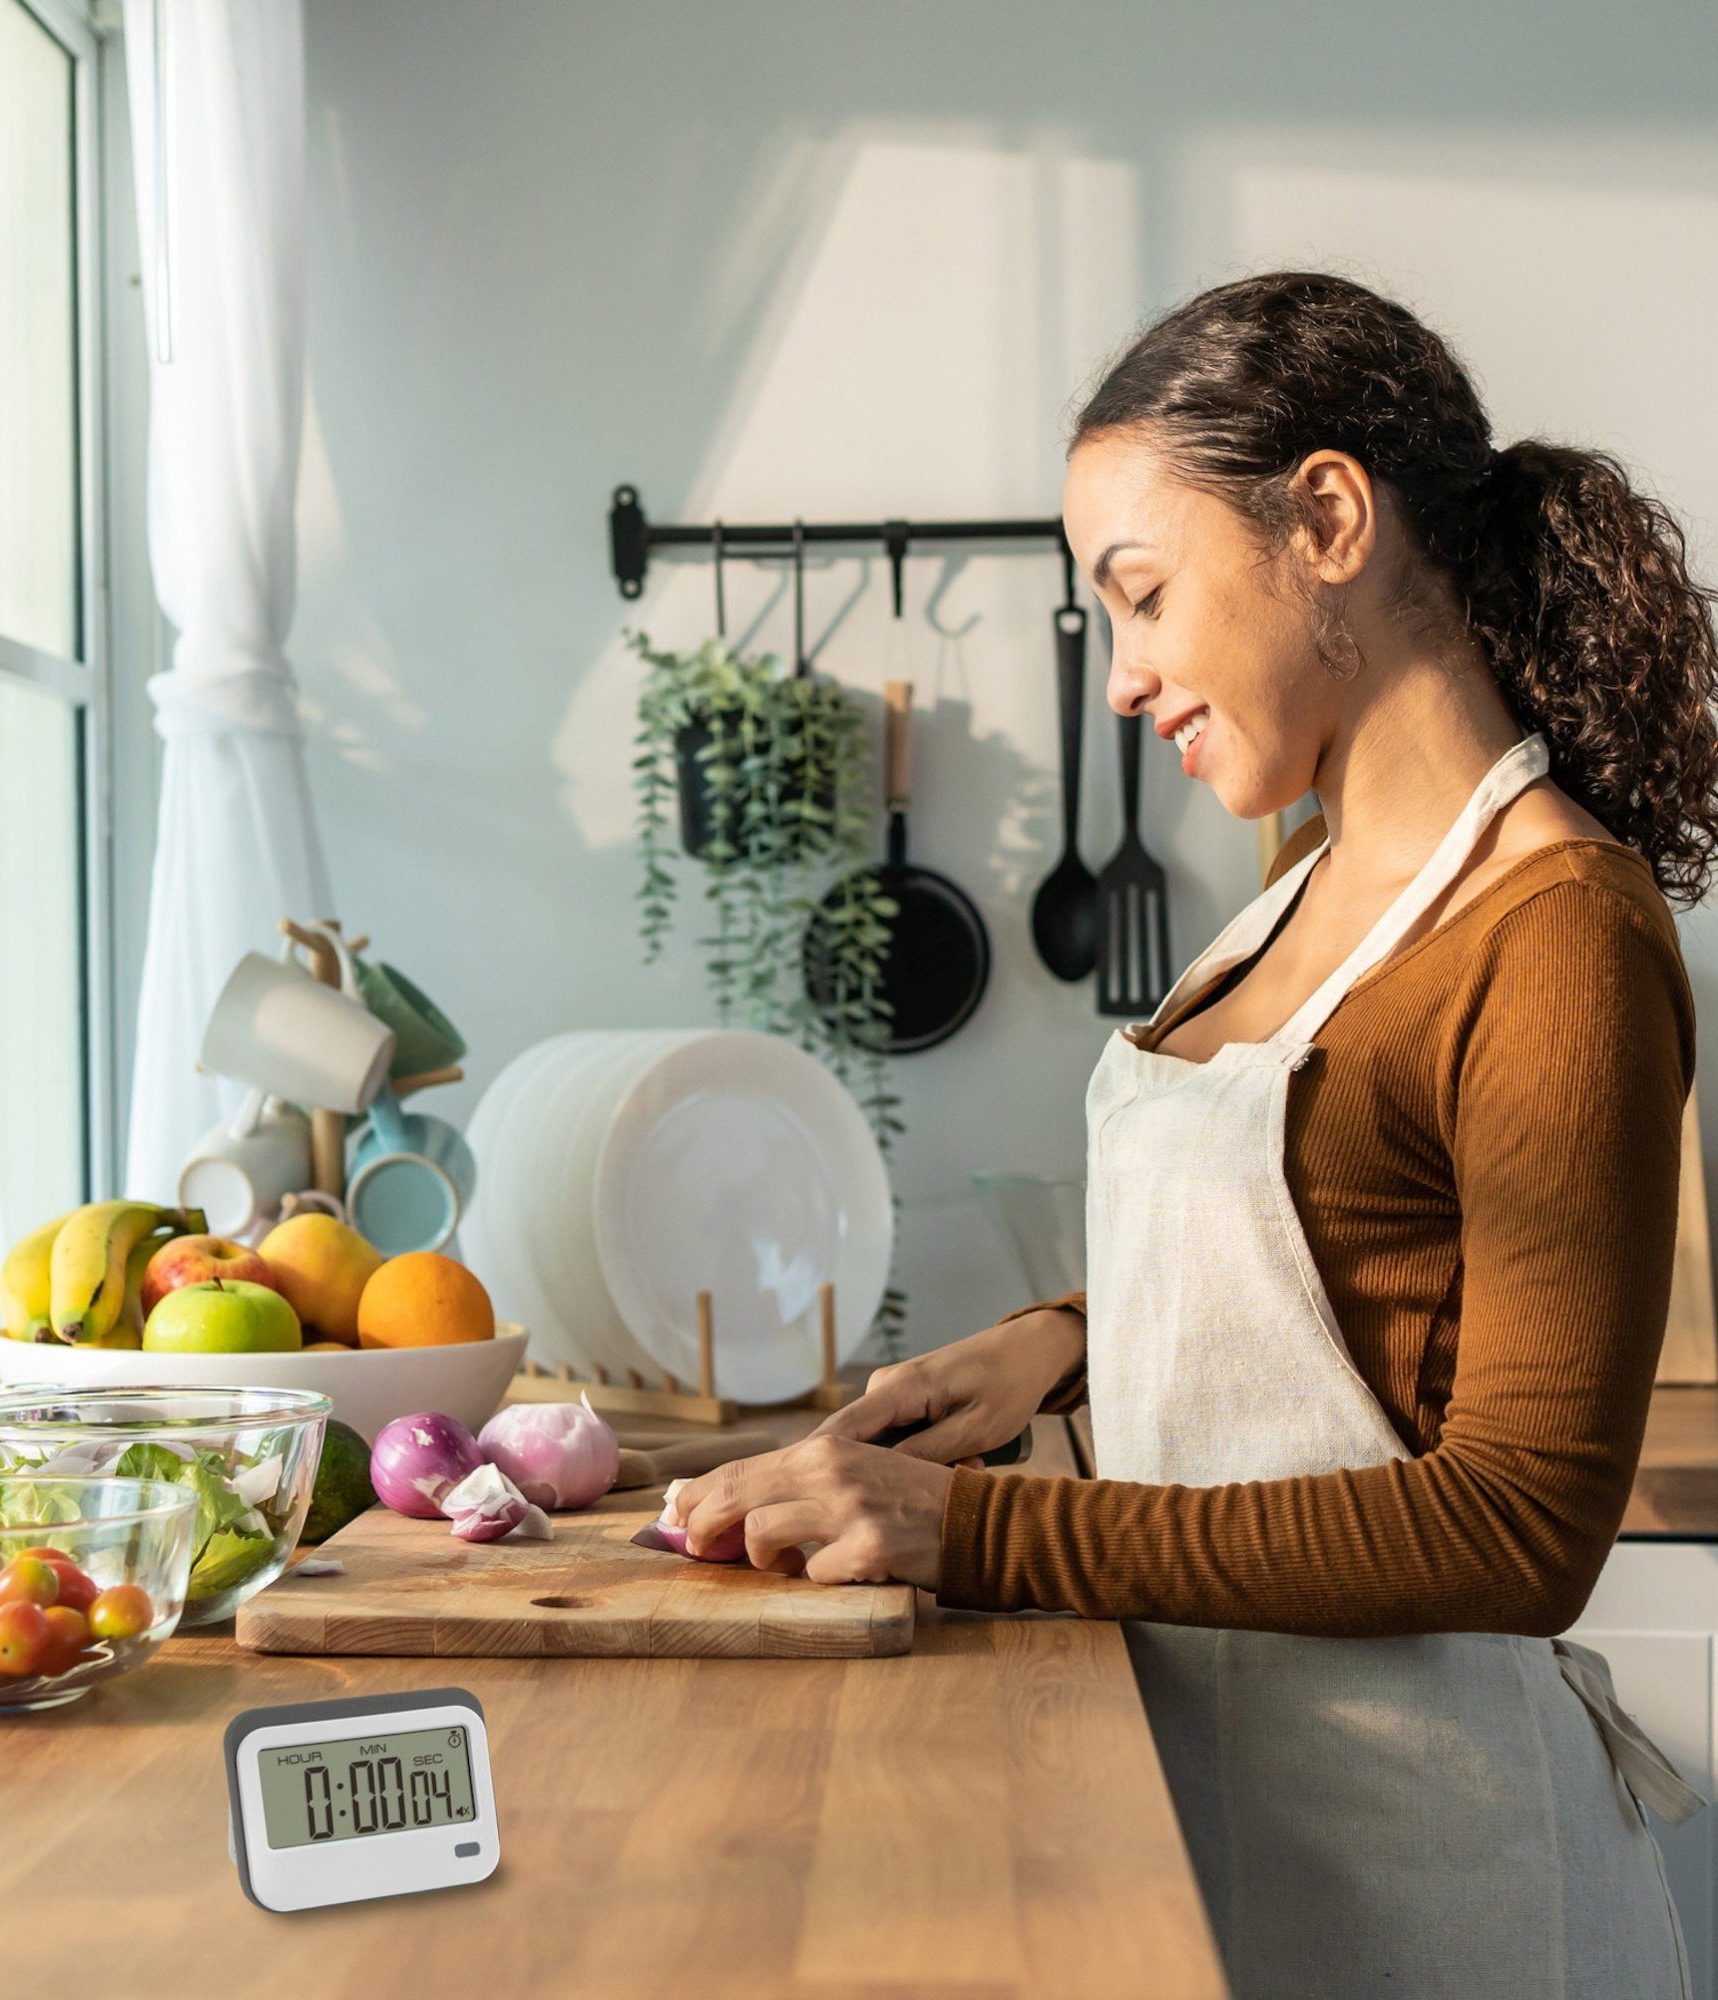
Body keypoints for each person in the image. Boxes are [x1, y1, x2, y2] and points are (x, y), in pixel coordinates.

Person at [671, 271, 1718, 1998]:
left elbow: (1523, 1526)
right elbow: (1356, 1266)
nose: (1127, 678)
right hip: (1219, 1830)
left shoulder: (1558, 932)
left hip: (1436, 1890)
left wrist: (980, 1536)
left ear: (1327, 519)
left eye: (1142, 598)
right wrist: (1057, 1350)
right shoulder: (1296, 896)